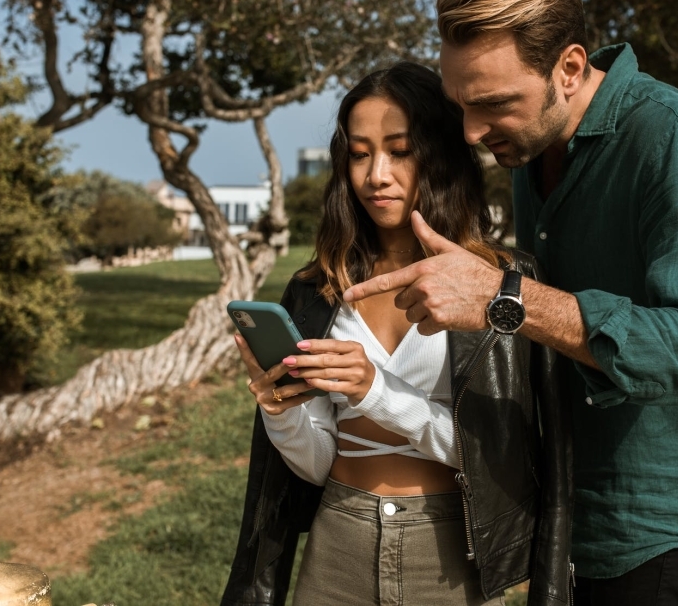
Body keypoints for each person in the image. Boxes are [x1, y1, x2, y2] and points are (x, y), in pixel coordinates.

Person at [343, 0, 678, 606]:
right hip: (559, 506)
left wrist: (506, 299)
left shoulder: (675, 137)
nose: (472, 133)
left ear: (569, 68)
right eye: (460, 106)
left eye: (494, 104)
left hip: (652, 526)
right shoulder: (529, 148)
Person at [220, 62, 573, 606]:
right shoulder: (319, 287)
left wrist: (375, 393)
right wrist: (282, 411)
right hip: (338, 542)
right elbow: (316, 463)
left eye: (400, 150)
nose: (375, 175)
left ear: (440, 156)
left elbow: (502, 462)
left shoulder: (501, 284)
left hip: (451, 558)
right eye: (359, 154)